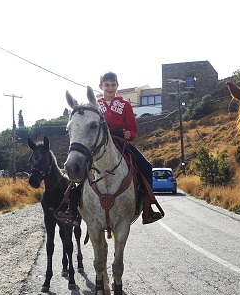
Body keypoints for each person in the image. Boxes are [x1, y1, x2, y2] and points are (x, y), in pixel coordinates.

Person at [61, 71, 164, 225]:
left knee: (146, 167)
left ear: (117, 86)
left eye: (113, 85)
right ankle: (71, 208)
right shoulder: (94, 105)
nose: (110, 88)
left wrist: (130, 134)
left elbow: (133, 129)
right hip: (99, 144)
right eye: (107, 85)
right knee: (79, 168)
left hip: (121, 142)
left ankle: (148, 209)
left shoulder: (125, 105)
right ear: (101, 86)